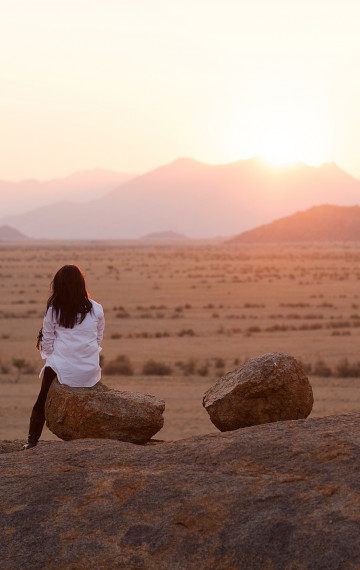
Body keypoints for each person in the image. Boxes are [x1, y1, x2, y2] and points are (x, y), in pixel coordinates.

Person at [23, 264, 105, 449]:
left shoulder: (54, 309)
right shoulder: (97, 308)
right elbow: (98, 338)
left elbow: (48, 341)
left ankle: (31, 441)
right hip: (89, 369)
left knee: (42, 400)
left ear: (59, 285)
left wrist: (60, 357)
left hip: (62, 368)